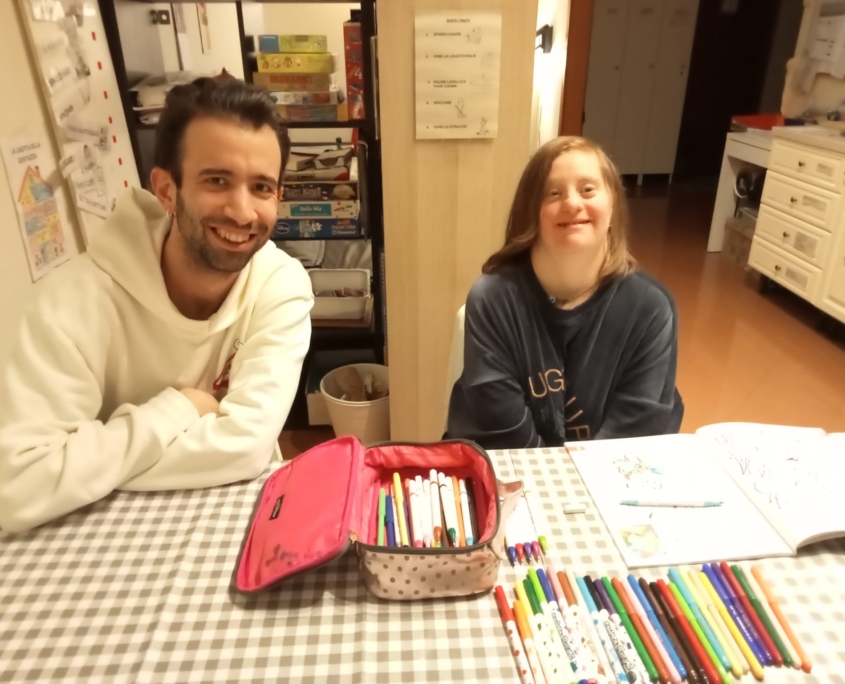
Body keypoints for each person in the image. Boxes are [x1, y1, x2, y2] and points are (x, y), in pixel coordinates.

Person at [0, 79, 313, 532]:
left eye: (261, 187)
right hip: (100, 535)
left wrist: (79, 471)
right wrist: (180, 409)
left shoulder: (280, 286)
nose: (243, 213)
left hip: (232, 518)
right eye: (217, 180)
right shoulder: (75, 300)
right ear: (166, 190)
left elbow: (246, 449)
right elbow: (19, 484)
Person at [447, 136, 683, 450]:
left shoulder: (651, 309)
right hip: (508, 467)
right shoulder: (493, 299)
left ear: (613, 203)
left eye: (588, 189)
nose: (572, 203)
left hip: (604, 473)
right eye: (553, 193)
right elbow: (505, 435)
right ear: (531, 211)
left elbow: (631, 441)